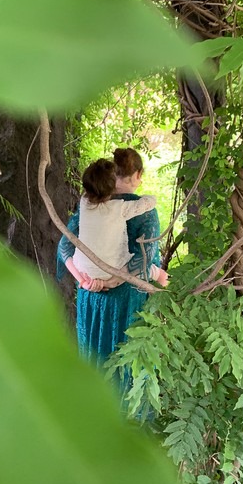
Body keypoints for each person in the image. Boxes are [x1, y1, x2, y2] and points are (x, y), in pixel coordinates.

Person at [57, 147, 169, 367]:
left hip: (91, 294)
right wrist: (111, 281)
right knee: (127, 365)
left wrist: (85, 281)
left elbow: (64, 248)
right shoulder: (142, 210)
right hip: (128, 300)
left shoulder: (90, 204)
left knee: (92, 360)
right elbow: (144, 261)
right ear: (138, 175)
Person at [65, 157, 164, 289]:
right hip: (112, 271)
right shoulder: (119, 208)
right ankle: (170, 289)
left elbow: (64, 246)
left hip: (83, 270)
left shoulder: (84, 204)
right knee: (155, 272)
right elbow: (148, 203)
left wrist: (84, 282)